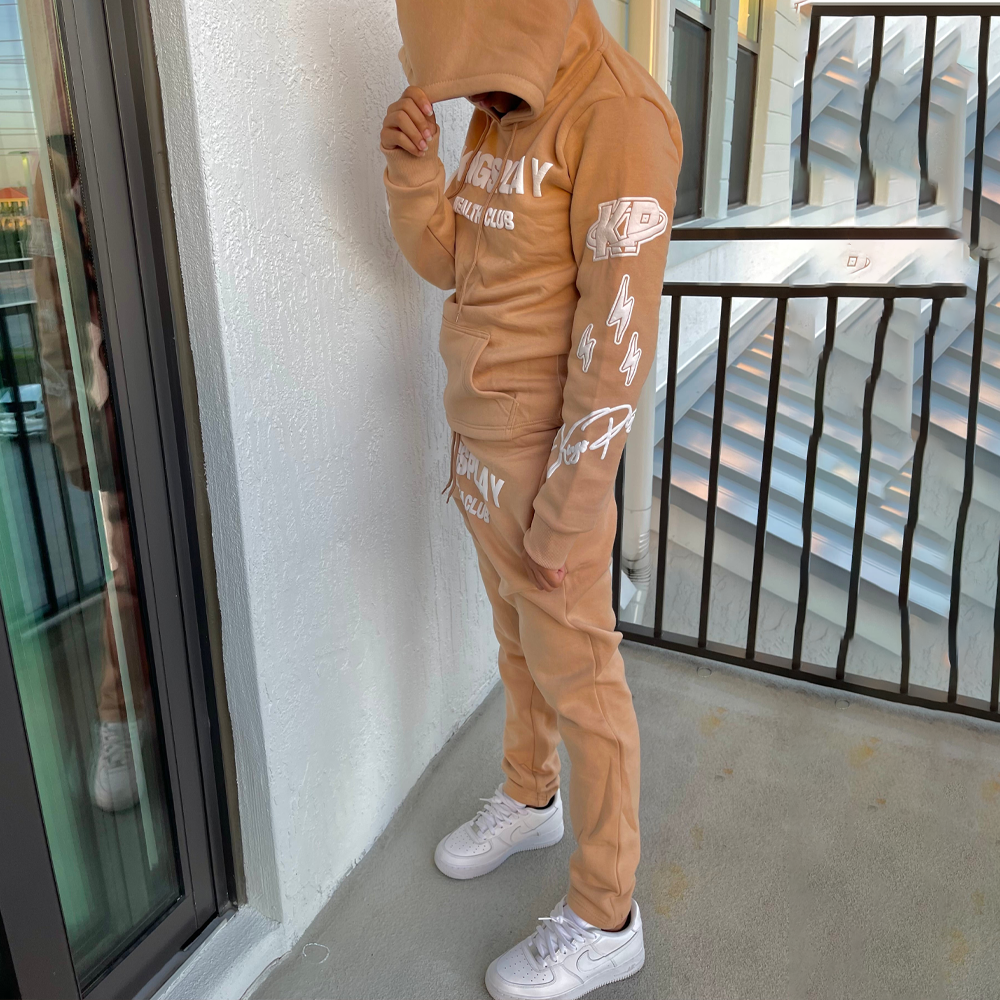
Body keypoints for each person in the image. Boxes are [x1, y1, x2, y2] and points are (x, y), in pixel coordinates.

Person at [380, 1, 680, 996]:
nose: (469, 99)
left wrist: (568, 511)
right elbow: (453, 265)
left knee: (585, 689)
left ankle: (606, 915)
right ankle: (529, 795)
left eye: (473, 79)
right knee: (517, 646)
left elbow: (616, 340)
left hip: (553, 473)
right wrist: (415, 171)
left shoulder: (618, 116)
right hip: (481, 448)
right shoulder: (495, 109)